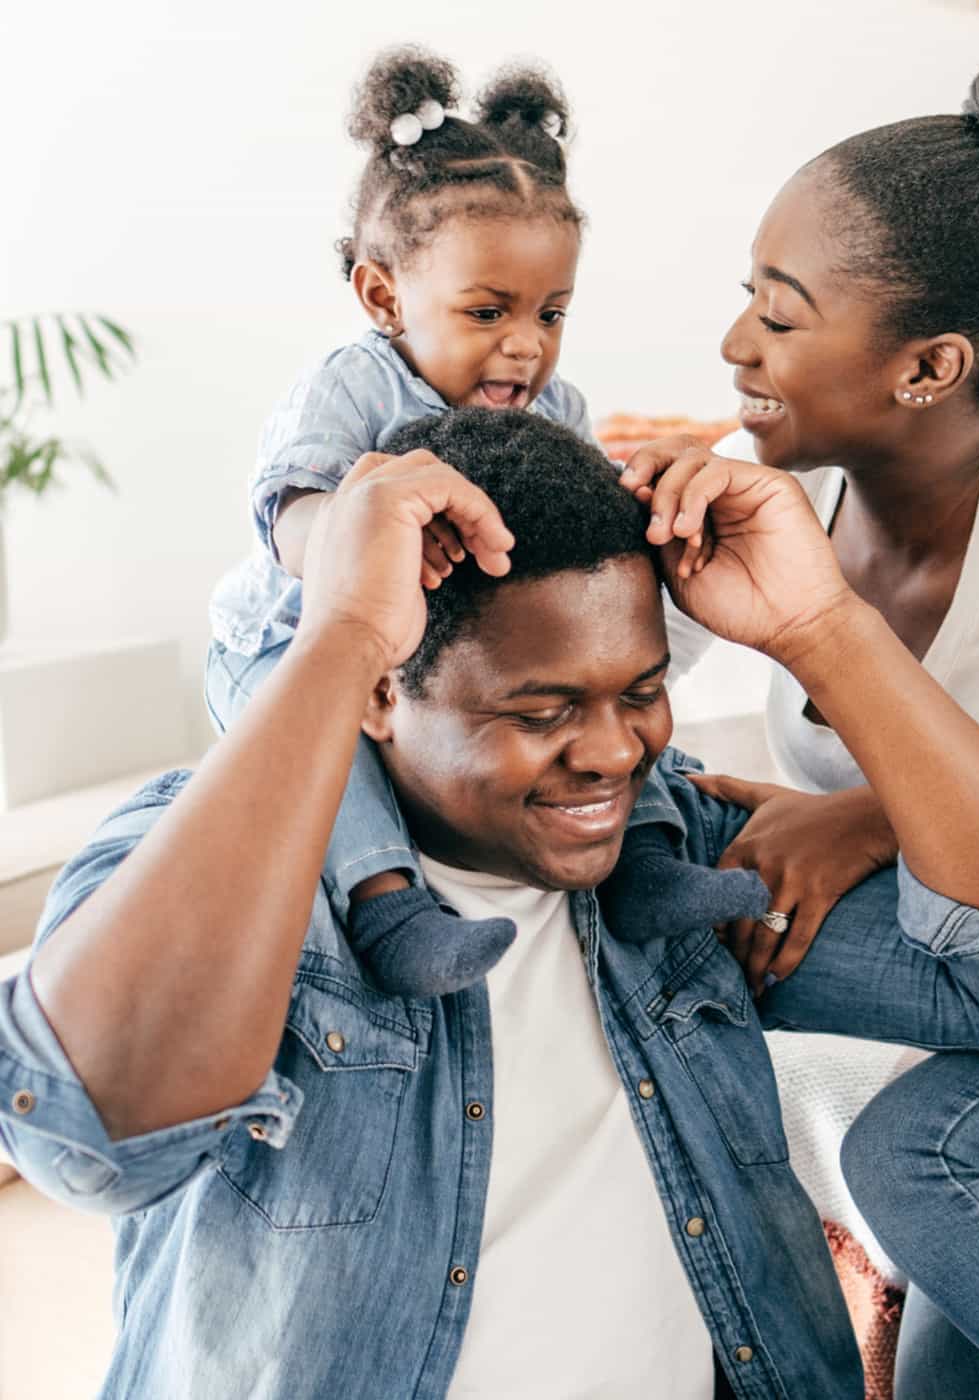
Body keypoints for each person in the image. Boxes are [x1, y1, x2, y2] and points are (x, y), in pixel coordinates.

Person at [5, 407, 979, 1400]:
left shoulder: (672, 851)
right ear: (382, 692)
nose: (614, 749)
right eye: (542, 711)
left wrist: (827, 630)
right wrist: (339, 635)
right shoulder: (222, 861)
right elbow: (90, 1139)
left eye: (641, 690)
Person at [206, 45, 764, 1000]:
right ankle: (388, 906)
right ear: (385, 295)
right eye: (488, 311)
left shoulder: (555, 408)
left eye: (552, 313)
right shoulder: (354, 386)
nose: (525, 344)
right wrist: (359, 552)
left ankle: (647, 864)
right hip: (295, 634)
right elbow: (294, 516)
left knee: (610, 703)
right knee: (324, 749)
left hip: (449, 655)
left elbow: (583, 534)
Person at [630, 55, 979, 1389]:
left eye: (780, 319)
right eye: (746, 299)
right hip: (961, 959)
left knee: (928, 1150)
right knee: (657, 857)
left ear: (929, 367)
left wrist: (860, 780)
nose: (736, 349)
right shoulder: (754, 492)